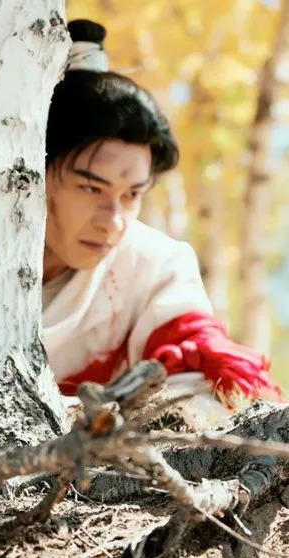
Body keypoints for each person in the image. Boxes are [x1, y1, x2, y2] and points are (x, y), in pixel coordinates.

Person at [41, 19, 280, 410]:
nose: (113, 221)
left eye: (132, 195)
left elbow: (201, 387)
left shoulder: (152, 267)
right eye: (92, 188)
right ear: (35, 173)